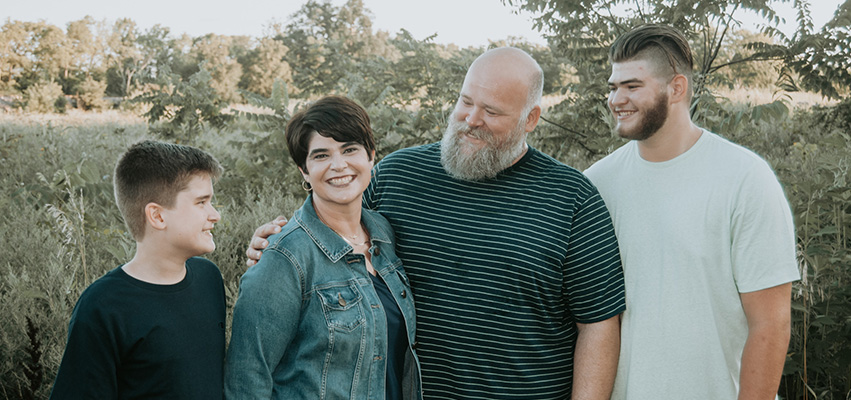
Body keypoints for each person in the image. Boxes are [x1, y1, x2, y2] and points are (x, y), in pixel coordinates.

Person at [247, 48, 626, 399]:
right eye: (466, 101)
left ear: (530, 119)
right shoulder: (397, 176)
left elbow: (598, 324)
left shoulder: (571, 198)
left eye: (491, 112)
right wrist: (274, 246)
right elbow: (324, 236)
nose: (471, 120)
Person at [584, 24, 800, 399]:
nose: (616, 99)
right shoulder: (597, 184)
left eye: (632, 86)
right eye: (612, 87)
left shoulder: (744, 179)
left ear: (677, 88)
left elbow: (771, 324)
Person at [225, 96, 421, 399]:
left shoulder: (384, 233)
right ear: (304, 171)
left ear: (371, 156)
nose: (338, 165)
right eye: (321, 155)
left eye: (349, 149)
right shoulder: (285, 257)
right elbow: (247, 378)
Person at [50, 140, 226, 399]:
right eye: (202, 202)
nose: (215, 215)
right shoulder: (103, 307)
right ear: (157, 216)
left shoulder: (208, 278)